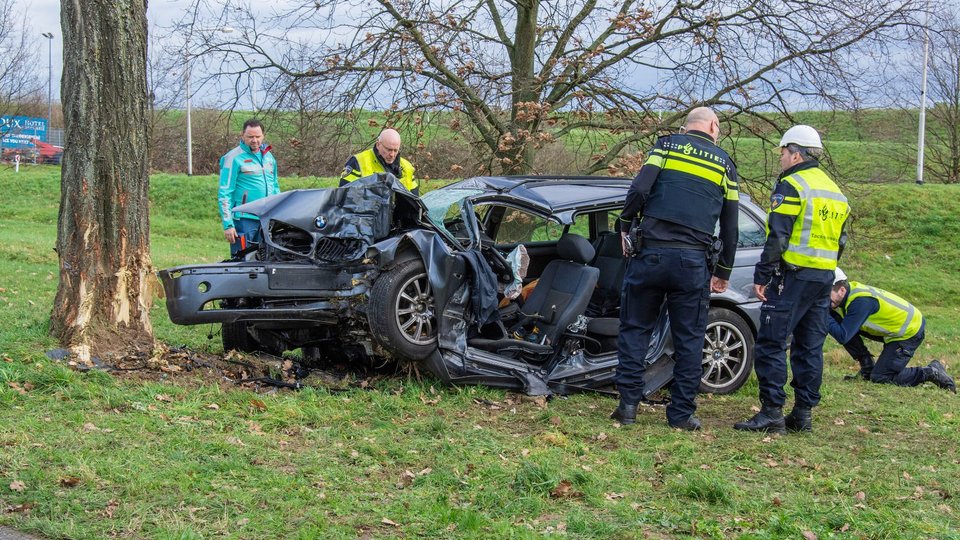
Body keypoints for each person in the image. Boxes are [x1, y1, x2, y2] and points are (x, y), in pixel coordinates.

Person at [611, 106, 739, 431]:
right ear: (712, 126)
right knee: (690, 339)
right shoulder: (725, 164)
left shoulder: (665, 147)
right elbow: (731, 227)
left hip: (650, 255)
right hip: (693, 263)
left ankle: (627, 406)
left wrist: (624, 226)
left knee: (635, 328)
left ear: (687, 127)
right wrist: (722, 272)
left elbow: (639, 190)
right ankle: (681, 415)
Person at [734, 125, 850, 435]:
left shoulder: (792, 185)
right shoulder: (834, 191)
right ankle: (803, 414)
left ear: (795, 153)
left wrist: (763, 274)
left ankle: (772, 412)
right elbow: (841, 242)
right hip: (823, 278)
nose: (781, 159)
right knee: (809, 346)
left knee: (771, 343)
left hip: (793, 277)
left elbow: (778, 236)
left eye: (783, 153)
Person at [827, 268, 955, 392]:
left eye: (826, 294)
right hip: (895, 330)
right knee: (842, 324)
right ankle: (867, 366)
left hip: (909, 333)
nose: (823, 299)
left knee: (881, 377)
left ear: (842, 290)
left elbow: (842, 336)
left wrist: (821, 314)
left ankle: (930, 372)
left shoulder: (861, 302)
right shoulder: (850, 294)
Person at [218, 119, 280, 256]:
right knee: (242, 263)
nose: (254, 140)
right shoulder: (232, 158)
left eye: (258, 136)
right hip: (244, 220)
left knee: (266, 261)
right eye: (250, 137)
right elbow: (224, 193)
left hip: (266, 220)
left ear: (263, 135)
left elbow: (275, 188)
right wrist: (228, 224)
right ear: (242, 136)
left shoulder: (269, 157)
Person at [340, 128, 418, 195]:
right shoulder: (358, 162)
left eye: (395, 150)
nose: (392, 154)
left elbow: (415, 202)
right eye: (389, 149)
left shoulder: (407, 167)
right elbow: (344, 195)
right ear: (378, 145)